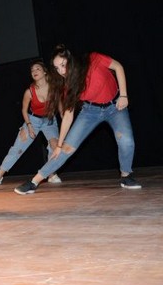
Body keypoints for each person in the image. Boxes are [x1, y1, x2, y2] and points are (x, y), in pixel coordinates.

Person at [14, 44, 141, 194]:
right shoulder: (69, 85)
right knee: (65, 149)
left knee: (126, 140)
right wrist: (59, 145)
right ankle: (34, 181)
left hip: (115, 107)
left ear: (71, 59)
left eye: (63, 65)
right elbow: (68, 115)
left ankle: (126, 175)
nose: (61, 71)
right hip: (90, 111)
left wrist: (124, 95)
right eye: (57, 68)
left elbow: (118, 67)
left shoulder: (94, 59)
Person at [0, 60, 62, 187]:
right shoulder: (29, 91)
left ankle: (51, 174)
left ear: (45, 72)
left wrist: (65, 122)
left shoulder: (54, 88)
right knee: (17, 148)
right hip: (33, 120)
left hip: (49, 121)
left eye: (37, 69)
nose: (34, 71)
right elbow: (24, 110)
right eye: (32, 70)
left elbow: (60, 107)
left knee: (54, 145)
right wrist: (28, 126)